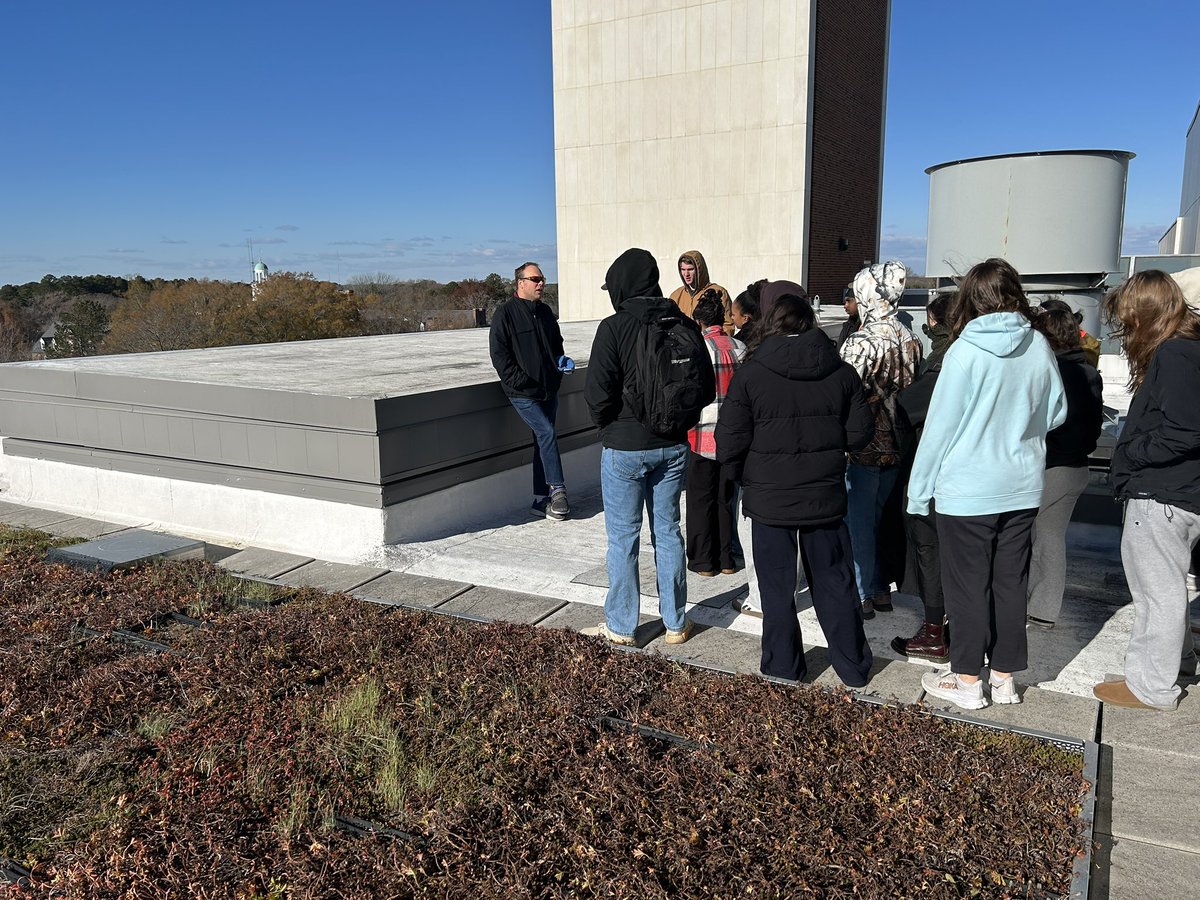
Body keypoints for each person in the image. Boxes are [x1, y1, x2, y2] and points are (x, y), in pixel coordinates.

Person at [908, 258, 1066, 710]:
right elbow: (1057, 412)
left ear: (969, 301)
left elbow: (938, 430)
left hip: (968, 490)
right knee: (1009, 584)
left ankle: (966, 682)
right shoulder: (1038, 345)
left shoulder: (963, 352)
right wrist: (1018, 425)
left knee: (967, 587)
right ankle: (1002, 680)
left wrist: (918, 493)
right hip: (1021, 483)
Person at [717, 294, 875, 686]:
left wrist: (747, 478)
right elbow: (859, 435)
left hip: (770, 499)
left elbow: (729, 441)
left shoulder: (752, 374)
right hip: (825, 497)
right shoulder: (841, 372)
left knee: (776, 589)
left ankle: (784, 667)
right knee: (834, 582)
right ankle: (853, 666)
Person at [583, 248, 715, 646]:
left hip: (624, 446)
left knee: (624, 537)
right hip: (673, 446)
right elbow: (704, 387)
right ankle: (675, 623)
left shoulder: (615, 326)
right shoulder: (683, 321)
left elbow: (596, 393)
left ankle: (623, 627)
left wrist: (609, 428)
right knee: (668, 532)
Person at [1095, 270, 1200, 711]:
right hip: (1183, 493)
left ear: (1145, 314)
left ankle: (1151, 687)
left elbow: (1184, 430)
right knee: (1169, 588)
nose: (1125, 328)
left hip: (1162, 497)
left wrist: (1132, 452)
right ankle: (1179, 662)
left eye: (1127, 317)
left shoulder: (1174, 353)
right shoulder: (1191, 348)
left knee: (1158, 594)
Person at [839, 261, 923, 619]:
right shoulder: (911, 338)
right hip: (899, 441)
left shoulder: (861, 342)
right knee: (880, 520)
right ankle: (879, 589)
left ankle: (860, 594)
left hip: (862, 445)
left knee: (856, 524)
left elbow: (842, 394)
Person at [1025, 304, 1104, 629]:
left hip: (1053, 467)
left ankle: (1038, 607)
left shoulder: (1055, 373)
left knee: (1038, 537)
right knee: (1050, 536)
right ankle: (1041, 608)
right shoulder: (1088, 371)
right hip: (1077, 467)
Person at [891, 293, 952, 661]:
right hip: (974, 476)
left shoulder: (946, 362)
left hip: (935, 473)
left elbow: (907, 410)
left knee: (929, 549)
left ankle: (934, 631)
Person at [489, 262, 573, 520]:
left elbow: (556, 345)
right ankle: (558, 491)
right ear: (520, 283)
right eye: (535, 279)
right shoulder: (505, 314)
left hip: (549, 389)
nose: (541, 283)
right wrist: (521, 382)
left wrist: (560, 362)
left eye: (542, 278)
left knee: (542, 439)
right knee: (546, 432)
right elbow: (500, 356)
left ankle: (540, 500)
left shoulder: (546, 312)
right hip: (522, 393)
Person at [686, 294, 747, 577]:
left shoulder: (698, 348)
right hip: (732, 433)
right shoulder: (740, 347)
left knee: (700, 498)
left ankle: (702, 561)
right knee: (725, 498)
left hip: (700, 432)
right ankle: (726, 559)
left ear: (699, 320)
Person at [670, 250, 733, 332]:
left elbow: (728, 325)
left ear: (699, 270)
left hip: (711, 342)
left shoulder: (718, 292)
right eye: (683, 269)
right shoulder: (676, 295)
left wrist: (716, 343)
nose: (686, 274)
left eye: (690, 269)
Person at [836, 284, 860, 349]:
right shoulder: (848, 326)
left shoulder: (868, 326)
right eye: (845, 302)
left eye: (849, 301)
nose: (845, 306)